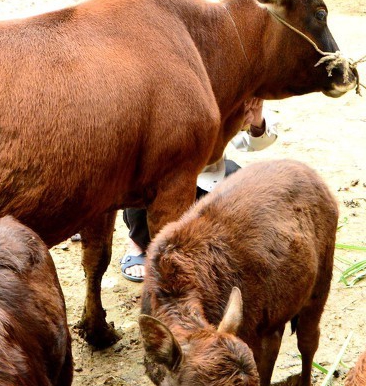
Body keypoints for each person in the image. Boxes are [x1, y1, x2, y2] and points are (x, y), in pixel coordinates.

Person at [118, 101, 278, 282]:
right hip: (161, 176)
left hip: (208, 175)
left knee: (238, 178)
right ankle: (138, 244)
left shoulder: (224, 87)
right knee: (139, 175)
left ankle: (218, 250)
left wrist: (254, 122)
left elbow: (254, 143)